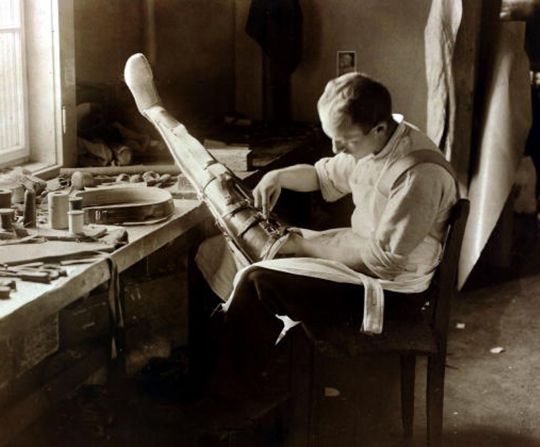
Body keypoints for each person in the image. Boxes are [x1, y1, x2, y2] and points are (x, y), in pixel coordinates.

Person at [193, 72, 458, 402]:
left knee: (261, 281)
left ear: (378, 129)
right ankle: (220, 370)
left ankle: (231, 396)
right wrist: (279, 176)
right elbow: (323, 175)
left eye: (345, 141)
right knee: (220, 247)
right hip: (365, 257)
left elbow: (383, 261)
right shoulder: (376, 142)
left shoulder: (418, 174)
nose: (337, 148)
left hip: (393, 290)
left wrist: (303, 247)